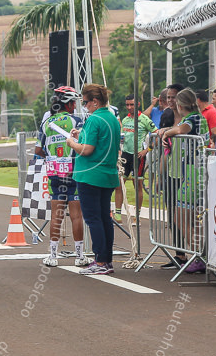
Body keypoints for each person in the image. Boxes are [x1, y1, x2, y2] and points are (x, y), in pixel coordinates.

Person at [66, 84, 121, 275]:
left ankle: (100, 260)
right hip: (107, 174)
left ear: (95, 102)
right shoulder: (112, 118)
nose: (85, 106)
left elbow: (87, 149)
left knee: (93, 218)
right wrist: (81, 135)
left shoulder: (94, 119)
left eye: (86, 102)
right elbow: (99, 140)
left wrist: (72, 143)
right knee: (105, 217)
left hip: (90, 173)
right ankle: (106, 260)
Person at [35, 86, 90, 267]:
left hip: (54, 173)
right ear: (69, 104)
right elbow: (84, 144)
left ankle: (52, 256)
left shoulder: (46, 123)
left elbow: (38, 150)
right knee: (76, 216)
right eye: (74, 103)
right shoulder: (76, 120)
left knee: (56, 215)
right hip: (74, 172)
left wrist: (52, 157)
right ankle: (80, 256)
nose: (75, 107)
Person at [157, 89, 210, 274]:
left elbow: (181, 129)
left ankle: (199, 256)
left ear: (180, 105)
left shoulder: (193, 119)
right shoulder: (199, 118)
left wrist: (166, 133)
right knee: (189, 218)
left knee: (180, 217)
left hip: (193, 173)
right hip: (195, 172)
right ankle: (199, 255)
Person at [116, 95, 156, 215]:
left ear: (137, 105)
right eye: (127, 104)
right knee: (119, 184)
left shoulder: (144, 119)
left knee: (137, 185)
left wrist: (147, 150)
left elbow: (157, 136)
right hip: (125, 155)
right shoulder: (125, 120)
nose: (129, 107)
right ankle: (118, 213)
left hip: (138, 156)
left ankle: (137, 214)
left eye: (132, 104)